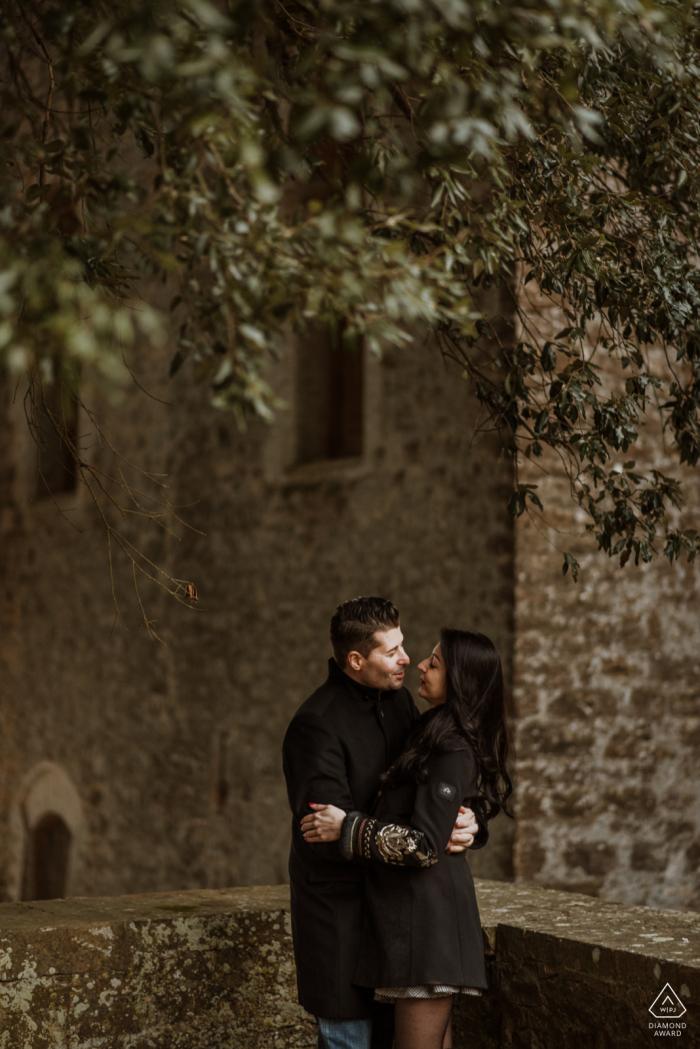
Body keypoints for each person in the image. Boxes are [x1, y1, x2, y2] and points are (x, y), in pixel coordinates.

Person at [282, 599, 487, 1049]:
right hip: (343, 918)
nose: (407, 659)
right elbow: (321, 834)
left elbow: (436, 788)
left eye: (404, 645)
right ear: (356, 660)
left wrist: (471, 823)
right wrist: (385, 834)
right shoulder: (315, 725)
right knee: (349, 1040)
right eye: (391, 651)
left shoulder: (400, 706)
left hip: (400, 918)